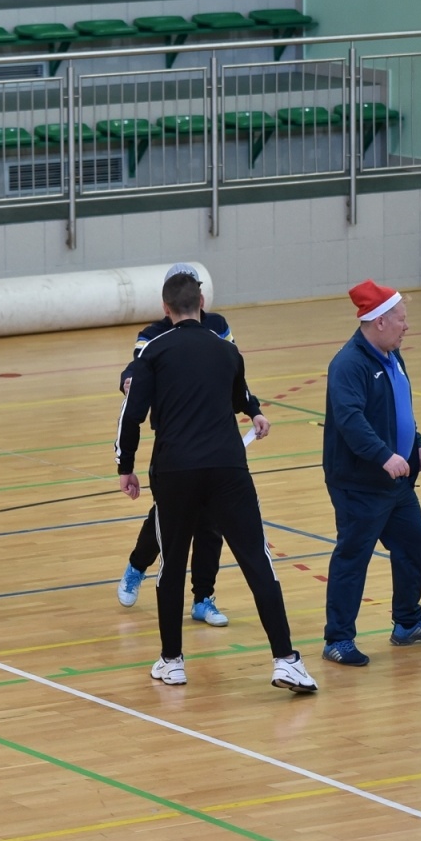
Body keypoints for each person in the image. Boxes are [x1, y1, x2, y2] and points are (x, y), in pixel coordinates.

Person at [115, 271, 316, 694]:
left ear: (166, 309)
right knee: (257, 561)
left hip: (175, 471)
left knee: (171, 565)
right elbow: (240, 396)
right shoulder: (226, 350)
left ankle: (172, 662)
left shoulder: (154, 351)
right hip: (228, 468)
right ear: (201, 303)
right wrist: (256, 411)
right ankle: (286, 661)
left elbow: (131, 414)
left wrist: (125, 466)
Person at [320, 280, 421, 667]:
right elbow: (350, 420)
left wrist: (416, 444)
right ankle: (337, 639)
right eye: (401, 319)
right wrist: (384, 456)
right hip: (360, 482)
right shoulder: (349, 365)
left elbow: (399, 408)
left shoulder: (393, 357)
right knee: (353, 555)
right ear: (378, 322)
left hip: (395, 480)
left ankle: (407, 622)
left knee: (414, 541)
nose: (406, 326)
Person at [116, 262, 231, 628]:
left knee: (211, 522)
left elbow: (232, 369)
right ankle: (137, 565)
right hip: (175, 444)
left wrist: (251, 407)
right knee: (168, 516)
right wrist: (128, 383)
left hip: (215, 440)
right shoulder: (153, 335)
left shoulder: (218, 328)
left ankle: (203, 597)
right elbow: (135, 369)